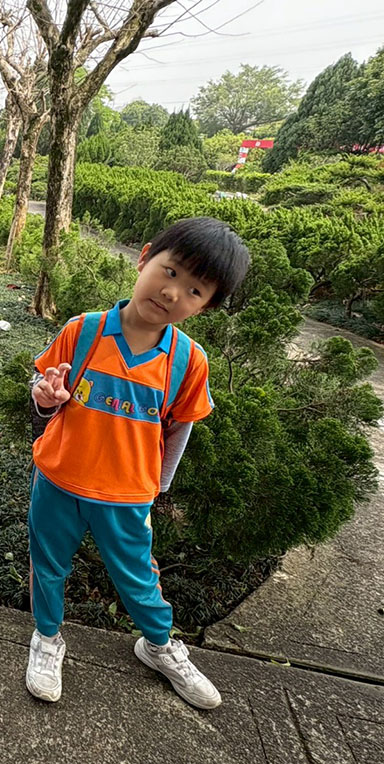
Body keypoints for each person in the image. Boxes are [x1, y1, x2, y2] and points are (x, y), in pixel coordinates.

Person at [25, 217, 250, 710]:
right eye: (170, 271)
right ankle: (46, 637)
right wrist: (44, 397)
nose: (172, 292)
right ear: (145, 257)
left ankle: (159, 645)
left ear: (206, 306)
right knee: (48, 566)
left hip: (127, 495)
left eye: (194, 290)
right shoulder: (83, 331)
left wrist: (157, 488)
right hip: (58, 479)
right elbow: (43, 391)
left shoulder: (187, 361)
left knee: (138, 577)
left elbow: (180, 429)